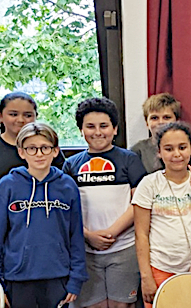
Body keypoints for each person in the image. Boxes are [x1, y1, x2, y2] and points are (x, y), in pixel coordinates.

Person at [0, 122, 87, 307]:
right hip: (17, 278)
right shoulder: (7, 185)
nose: (39, 154)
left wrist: (76, 278)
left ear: (55, 151)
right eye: (32, 148)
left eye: (45, 148)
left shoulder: (68, 186)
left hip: (57, 277)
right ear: (21, 152)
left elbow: (75, 235)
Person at [0, 92, 67, 274]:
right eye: (13, 114)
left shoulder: (47, 150)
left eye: (28, 115)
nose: (21, 120)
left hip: (40, 246)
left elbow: (62, 196)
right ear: (0, 115)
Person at [63, 98, 146, 308]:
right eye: (90, 126)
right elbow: (65, 210)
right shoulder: (71, 165)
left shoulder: (130, 159)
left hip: (124, 248)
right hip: (84, 250)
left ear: (115, 129)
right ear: (81, 130)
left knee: (121, 305)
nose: (97, 132)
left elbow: (140, 203)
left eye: (104, 126)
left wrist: (111, 232)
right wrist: (88, 235)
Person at [132, 122, 191, 307]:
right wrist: (146, 276)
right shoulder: (148, 184)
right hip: (160, 267)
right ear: (159, 152)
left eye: (182, 147)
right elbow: (141, 234)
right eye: (169, 149)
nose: (177, 154)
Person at [130, 93, 183, 173]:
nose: (161, 122)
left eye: (166, 117)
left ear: (177, 121)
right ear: (147, 123)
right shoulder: (138, 151)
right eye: (154, 118)